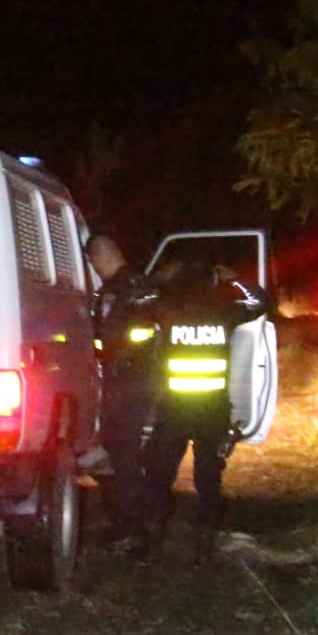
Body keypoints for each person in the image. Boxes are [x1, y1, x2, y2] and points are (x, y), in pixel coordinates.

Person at [137, 259, 268, 565]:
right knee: (209, 481)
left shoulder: (167, 312)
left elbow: (136, 301)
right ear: (212, 283)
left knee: (158, 477)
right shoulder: (224, 313)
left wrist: (158, 277)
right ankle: (204, 548)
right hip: (212, 411)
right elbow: (259, 302)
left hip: (175, 412)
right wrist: (236, 278)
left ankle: (152, 545)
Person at [86, 233, 161, 553]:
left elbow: (115, 339)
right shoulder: (139, 286)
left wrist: (100, 350)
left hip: (128, 385)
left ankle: (136, 531)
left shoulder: (121, 291)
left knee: (123, 456)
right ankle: (130, 525)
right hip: (134, 382)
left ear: (99, 258)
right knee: (120, 454)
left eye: (93, 262)